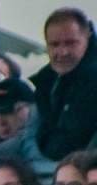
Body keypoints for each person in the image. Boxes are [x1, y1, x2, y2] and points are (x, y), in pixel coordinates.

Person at [33, 7, 97, 161]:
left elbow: (74, 140)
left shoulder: (92, 79)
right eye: (54, 45)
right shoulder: (46, 82)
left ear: (87, 38)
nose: (63, 52)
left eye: (71, 43)